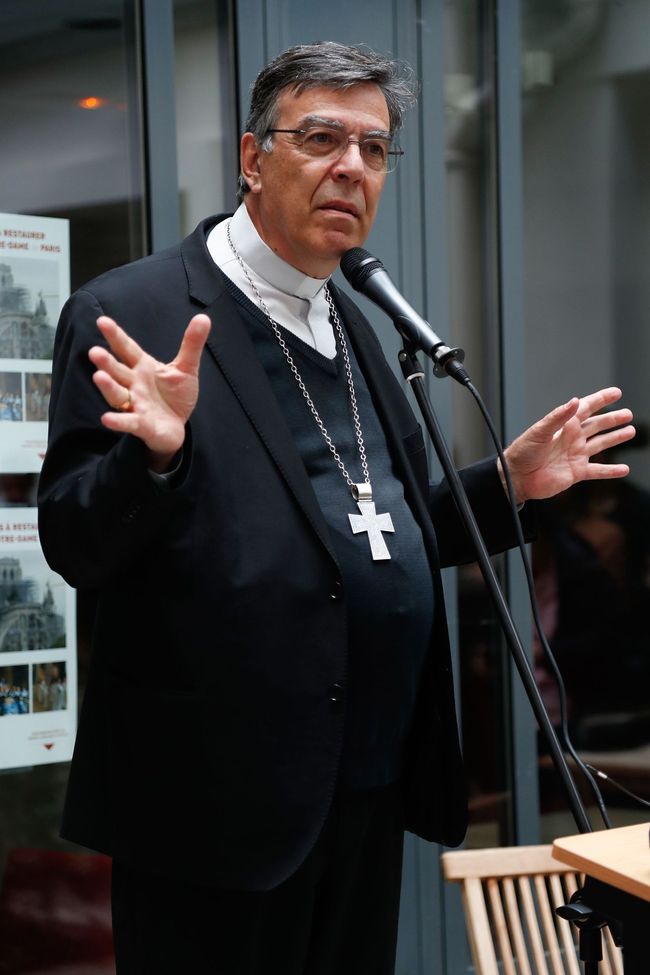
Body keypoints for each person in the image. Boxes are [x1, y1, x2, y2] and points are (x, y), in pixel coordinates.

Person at [37, 41, 634, 975]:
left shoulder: (356, 318)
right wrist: (153, 458)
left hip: (363, 784)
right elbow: (73, 538)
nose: (350, 167)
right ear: (250, 157)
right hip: (213, 803)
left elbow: (367, 530)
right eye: (320, 138)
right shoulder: (139, 310)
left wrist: (505, 485)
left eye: (374, 148)